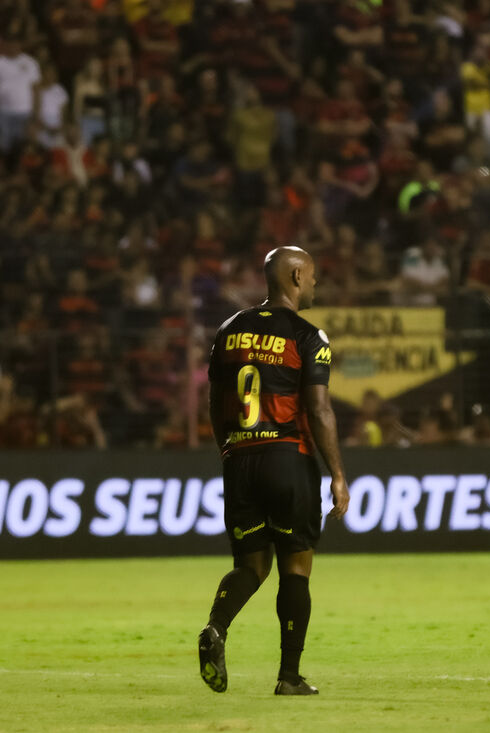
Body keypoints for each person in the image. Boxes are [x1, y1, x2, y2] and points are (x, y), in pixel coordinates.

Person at [199, 246, 349, 696]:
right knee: (296, 569)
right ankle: (289, 677)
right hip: (288, 458)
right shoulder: (308, 337)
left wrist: (229, 451)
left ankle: (216, 628)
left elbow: (214, 405)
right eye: (315, 276)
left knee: (250, 565)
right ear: (297, 275)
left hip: (240, 459)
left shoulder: (228, 331)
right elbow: (320, 412)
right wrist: (338, 474)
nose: (317, 284)